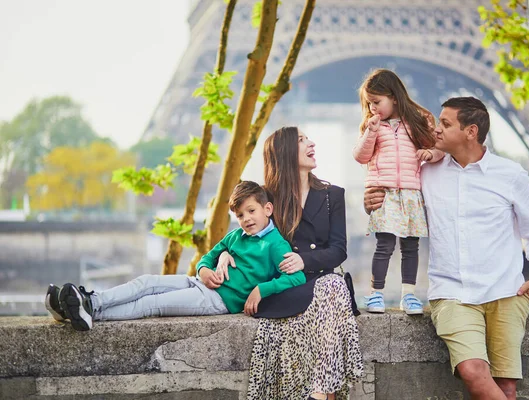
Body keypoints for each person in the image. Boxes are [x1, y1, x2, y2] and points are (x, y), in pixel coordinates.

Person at [364, 97, 529, 400]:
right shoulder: (424, 172)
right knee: (474, 371)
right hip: (451, 292)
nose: (436, 130)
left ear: (471, 131)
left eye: (445, 124)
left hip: (506, 291)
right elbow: (395, 199)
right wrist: (371, 201)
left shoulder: (510, 174)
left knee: (506, 388)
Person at [218, 127, 362, 400]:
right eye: (301, 140)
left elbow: (338, 251)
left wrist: (303, 259)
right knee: (333, 289)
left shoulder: (334, 195)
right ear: (284, 152)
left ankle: (319, 393)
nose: (312, 143)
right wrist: (226, 254)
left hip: (319, 285)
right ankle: (324, 394)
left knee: (331, 283)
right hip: (283, 289)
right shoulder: (266, 198)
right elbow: (242, 234)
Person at [44, 181, 306, 331]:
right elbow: (207, 257)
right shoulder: (236, 236)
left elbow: (297, 278)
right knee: (145, 282)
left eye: (251, 211)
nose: (246, 219)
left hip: (218, 300)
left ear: (267, 209)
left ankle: (89, 312)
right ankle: (89, 302)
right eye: (240, 215)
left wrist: (262, 289)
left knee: (152, 304)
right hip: (198, 282)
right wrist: (204, 270)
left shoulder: (276, 245)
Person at [353, 68, 444, 314]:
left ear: (393, 96)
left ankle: (409, 295)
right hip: (385, 193)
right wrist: (371, 130)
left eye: (376, 102)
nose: (372, 108)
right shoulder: (372, 127)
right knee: (384, 245)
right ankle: (376, 294)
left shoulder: (416, 122)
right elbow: (361, 156)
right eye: (369, 103)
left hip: (411, 193)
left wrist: (430, 154)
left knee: (410, 246)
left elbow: (438, 149)